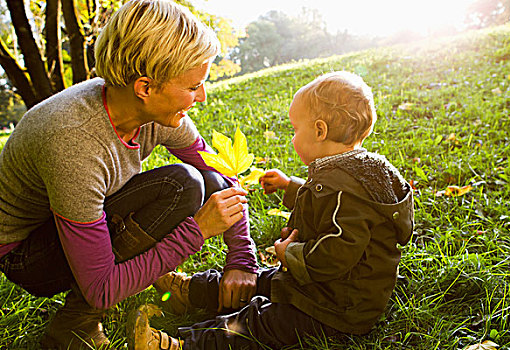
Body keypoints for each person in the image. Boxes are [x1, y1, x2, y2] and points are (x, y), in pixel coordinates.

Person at [0, 1, 258, 349]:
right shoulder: (73, 139)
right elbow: (102, 288)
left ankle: (144, 273)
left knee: (202, 180)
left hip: (70, 219)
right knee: (181, 186)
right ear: (146, 88)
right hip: (26, 254)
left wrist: (241, 260)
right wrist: (198, 231)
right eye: (193, 86)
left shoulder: (150, 110)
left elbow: (220, 174)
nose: (202, 96)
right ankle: (74, 327)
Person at [129, 71, 414, 349]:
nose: (292, 138)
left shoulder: (347, 190)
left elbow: (339, 250)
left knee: (259, 320)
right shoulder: (356, 173)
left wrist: (290, 253)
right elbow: (326, 200)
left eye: (295, 129)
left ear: (319, 131)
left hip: (335, 308)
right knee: (261, 280)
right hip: (317, 286)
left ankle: (183, 344)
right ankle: (190, 292)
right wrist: (290, 186)